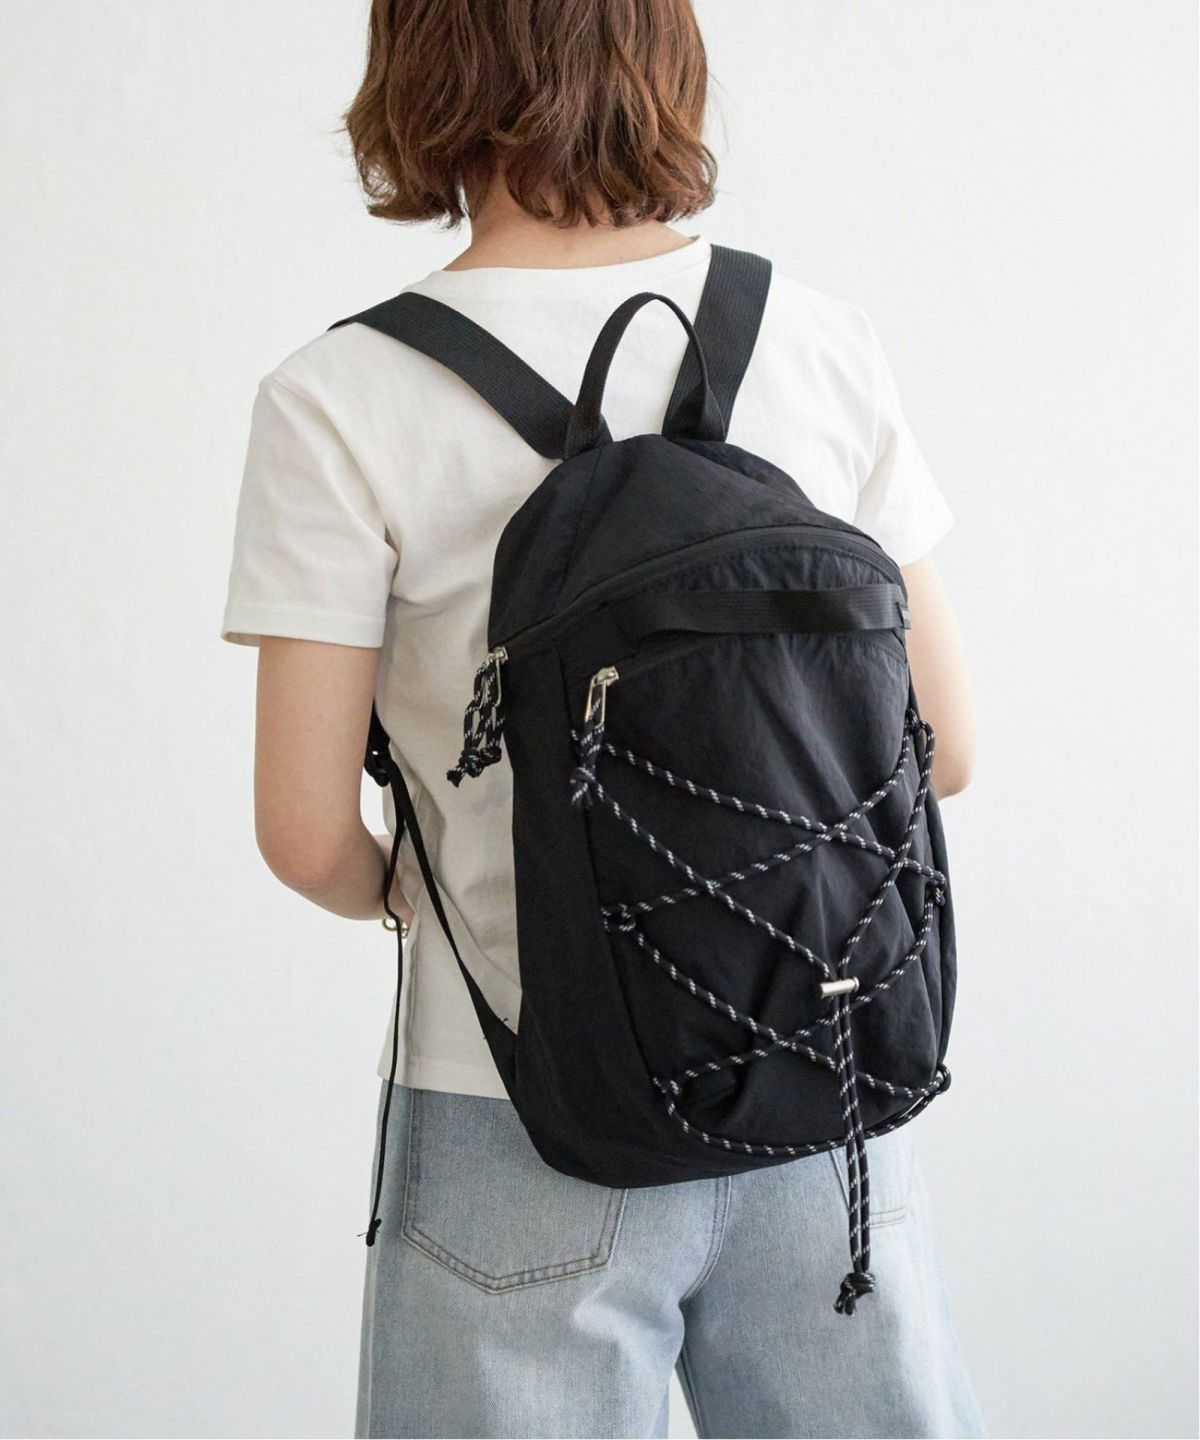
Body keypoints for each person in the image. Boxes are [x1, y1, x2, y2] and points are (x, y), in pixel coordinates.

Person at [219, 2, 983, 1435]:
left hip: (515, 1099)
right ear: (663, 56)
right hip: (818, 1072)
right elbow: (946, 741)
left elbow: (304, 832)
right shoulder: (820, 340)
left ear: (420, 69)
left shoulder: (337, 397)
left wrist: (444, 896)